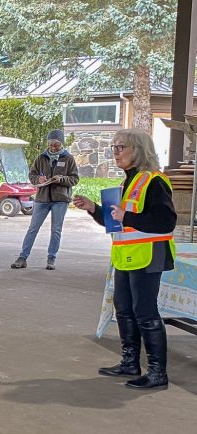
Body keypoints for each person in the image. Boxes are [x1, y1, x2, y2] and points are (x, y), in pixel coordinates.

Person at [73, 128, 175, 390]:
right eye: (114, 148)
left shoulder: (154, 181)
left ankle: (157, 373)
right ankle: (130, 362)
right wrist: (93, 209)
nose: (115, 152)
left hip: (149, 255)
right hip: (125, 256)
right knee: (125, 311)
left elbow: (166, 221)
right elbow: (115, 222)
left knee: (146, 313)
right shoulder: (125, 183)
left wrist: (125, 217)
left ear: (138, 151)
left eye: (121, 147)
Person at [11, 130, 80, 270]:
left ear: (61, 144)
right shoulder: (41, 158)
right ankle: (22, 257)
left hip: (60, 199)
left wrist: (62, 179)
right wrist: (39, 179)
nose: (53, 148)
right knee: (33, 228)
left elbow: (74, 179)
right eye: (51, 145)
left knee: (56, 230)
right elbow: (32, 175)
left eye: (56, 145)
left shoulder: (68, 158)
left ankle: (51, 259)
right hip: (42, 198)